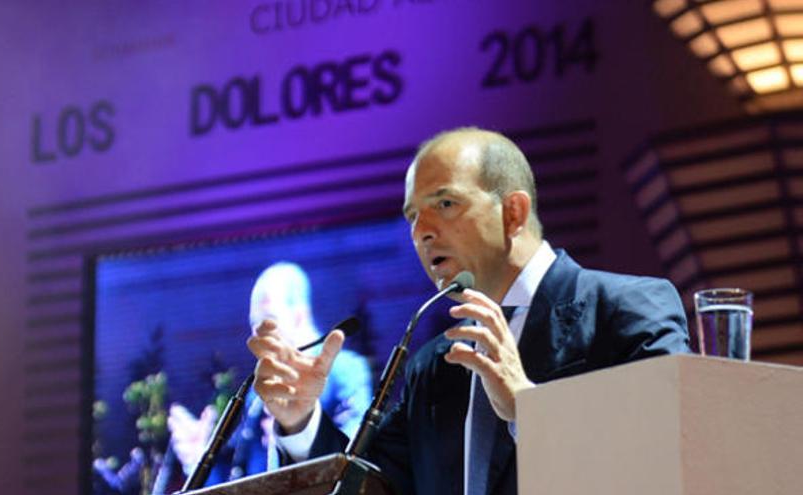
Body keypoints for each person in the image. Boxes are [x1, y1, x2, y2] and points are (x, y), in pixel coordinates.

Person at [247, 128, 691, 495]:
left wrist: (528, 408)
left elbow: (670, 461)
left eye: (444, 204)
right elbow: (373, 487)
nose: (421, 232)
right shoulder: (434, 366)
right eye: (411, 217)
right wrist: (301, 419)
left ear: (513, 212)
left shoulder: (626, 310)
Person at [167, 261, 372, 485]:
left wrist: (300, 426)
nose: (258, 334)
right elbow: (241, 479)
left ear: (299, 316)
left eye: (269, 319)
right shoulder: (257, 396)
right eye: (254, 324)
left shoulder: (345, 371)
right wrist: (200, 459)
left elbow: (356, 460)